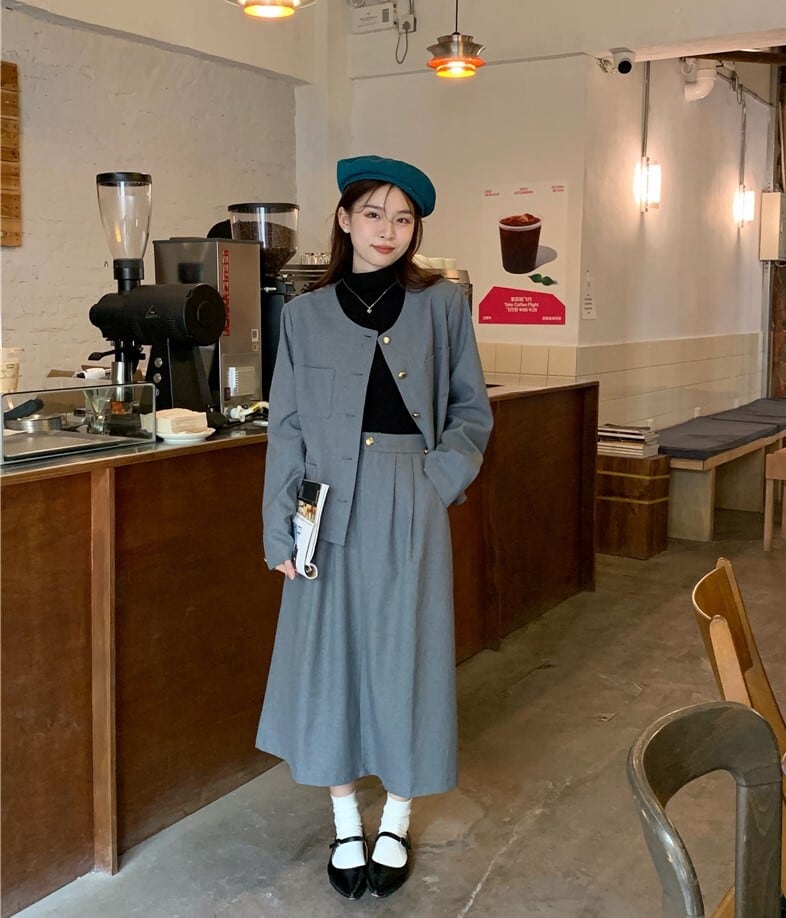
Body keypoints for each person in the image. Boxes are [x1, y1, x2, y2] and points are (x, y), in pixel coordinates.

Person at [256, 154, 493, 900]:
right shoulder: (303, 317)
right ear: (344, 219)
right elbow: (287, 430)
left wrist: (437, 481)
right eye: (373, 214)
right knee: (330, 659)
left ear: (415, 229)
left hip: (410, 495)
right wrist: (281, 531)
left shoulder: (442, 305)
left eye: (402, 218)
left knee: (407, 655)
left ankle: (396, 816)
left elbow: (471, 410)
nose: (387, 230)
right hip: (323, 504)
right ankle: (344, 822)